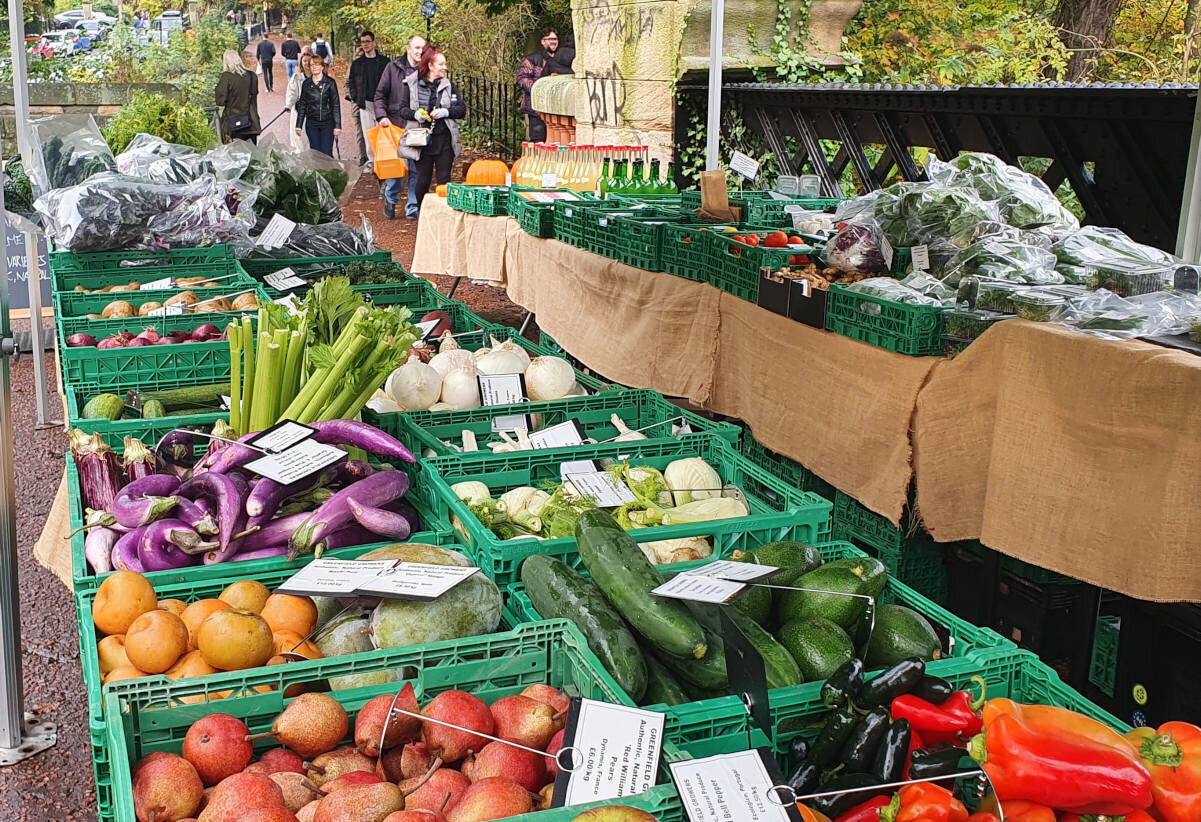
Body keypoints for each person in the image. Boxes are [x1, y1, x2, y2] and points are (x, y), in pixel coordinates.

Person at [392, 47, 464, 214]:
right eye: (441, 64)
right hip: (421, 139)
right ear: (430, 65)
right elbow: (402, 109)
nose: (445, 67)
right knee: (422, 180)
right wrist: (416, 114)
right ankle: (422, 213)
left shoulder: (449, 86)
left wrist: (446, 112)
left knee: (444, 180)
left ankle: (444, 214)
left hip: (445, 139)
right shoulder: (411, 84)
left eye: (445, 64)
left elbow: (461, 109)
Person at [373, 34, 426, 219]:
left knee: (416, 169)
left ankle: (412, 207)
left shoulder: (427, 70)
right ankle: (391, 196)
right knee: (396, 171)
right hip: (395, 124)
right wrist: (382, 116)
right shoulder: (392, 68)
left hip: (418, 127)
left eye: (422, 48)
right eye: (417, 48)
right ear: (408, 48)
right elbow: (379, 95)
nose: (420, 51)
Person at [517, 28, 575, 142]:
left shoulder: (563, 59)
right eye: (550, 39)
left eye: (556, 39)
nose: (554, 42)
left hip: (556, 109)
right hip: (534, 109)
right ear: (543, 41)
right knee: (538, 141)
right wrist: (540, 90)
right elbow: (522, 79)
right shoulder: (532, 59)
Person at [347, 30, 388, 169]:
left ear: (373, 43)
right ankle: (372, 162)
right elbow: (351, 81)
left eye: (367, 41)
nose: (365, 44)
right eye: (363, 42)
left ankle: (383, 160)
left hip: (382, 104)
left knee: (383, 134)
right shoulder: (357, 64)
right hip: (365, 104)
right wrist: (356, 98)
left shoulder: (384, 62)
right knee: (368, 135)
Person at [294, 56, 341, 156]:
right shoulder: (306, 83)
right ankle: (317, 171)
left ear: (322, 67)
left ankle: (328, 171)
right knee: (315, 152)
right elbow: (302, 104)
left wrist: (337, 125)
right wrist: (299, 125)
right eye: (312, 65)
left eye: (317, 64)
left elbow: (335, 104)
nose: (314, 67)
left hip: (327, 122)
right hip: (312, 123)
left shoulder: (330, 83)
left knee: (326, 152)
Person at [215, 49, 260, 143]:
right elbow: (254, 94)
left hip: (233, 123)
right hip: (251, 122)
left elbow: (220, 101)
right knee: (252, 154)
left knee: (235, 155)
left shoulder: (227, 77)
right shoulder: (252, 76)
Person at [284, 53, 313, 151]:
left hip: (315, 113)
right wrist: (288, 105)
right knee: (300, 139)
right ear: (301, 63)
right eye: (305, 61)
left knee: (311, 139)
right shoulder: (296, 78)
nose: (307, 63)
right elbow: (292, 93)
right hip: (300, 112)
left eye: (309, 61)